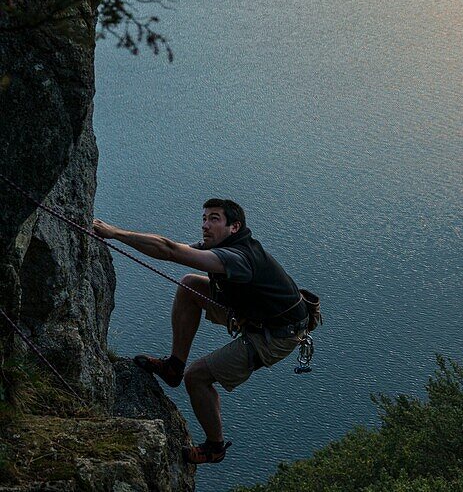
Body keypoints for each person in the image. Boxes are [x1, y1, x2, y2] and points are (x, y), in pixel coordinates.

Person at [93, 199, 309, 465]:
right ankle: (174, 366)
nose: (205, 225)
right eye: (204, 218)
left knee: (197, 377)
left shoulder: (238, 257)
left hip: (275, 335)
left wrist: (115, 233)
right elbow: (172, 248)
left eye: (214, 219)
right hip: (255, 314)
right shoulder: (223, 246)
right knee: (189, 285)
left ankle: (215, 446)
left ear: (234, 226)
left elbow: (169, 250)